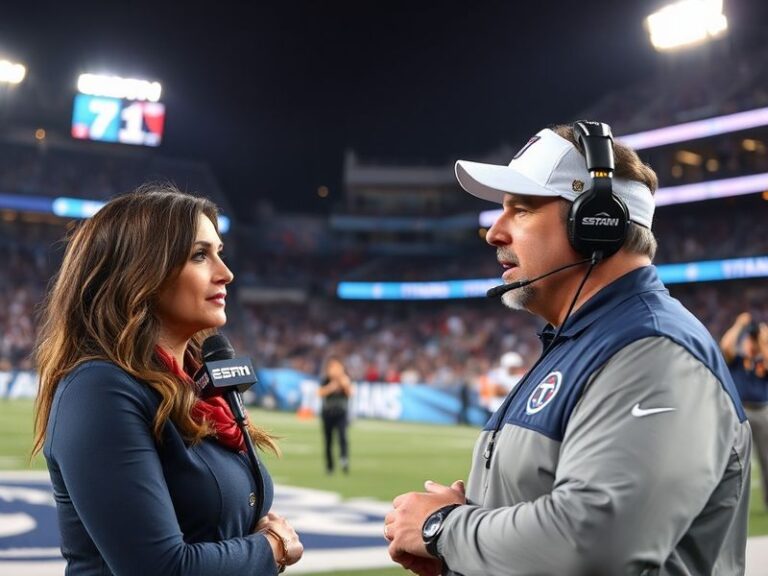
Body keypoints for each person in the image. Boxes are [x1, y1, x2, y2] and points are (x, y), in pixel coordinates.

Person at [383, 122, 751, 575]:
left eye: (520, 210)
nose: (494, 232)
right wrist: (463, 559)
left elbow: (593, 544)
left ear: (596, 222)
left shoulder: (655, 353)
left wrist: (442, 528)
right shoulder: (583, 342)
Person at [32, 184, 303, 575]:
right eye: (199, 256)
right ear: (141, 272)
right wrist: (271, 549)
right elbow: (160, 569)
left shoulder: (195, 382)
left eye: (219, 254)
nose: (226, 274)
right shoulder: (99, 390)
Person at [720, 312, 768, 509]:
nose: (751, 342)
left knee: (767, 457)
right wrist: (738, 325)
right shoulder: (738, 361)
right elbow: (726, 346)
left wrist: (764, 340)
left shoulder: (762, 360)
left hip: (763, 411)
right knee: (735, 458)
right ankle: (732, 503)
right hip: (742, 412)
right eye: (750, 338)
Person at [318, 356, 352, 474]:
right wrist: (332, 386)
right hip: (328, 413)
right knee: (328, 440)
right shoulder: (326, 379)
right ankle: (330, 465)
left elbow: (350, 393)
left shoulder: (344, 380)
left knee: (343, 437)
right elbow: (320, 392)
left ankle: (344, 459)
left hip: (341, 413)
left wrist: (344, 384)